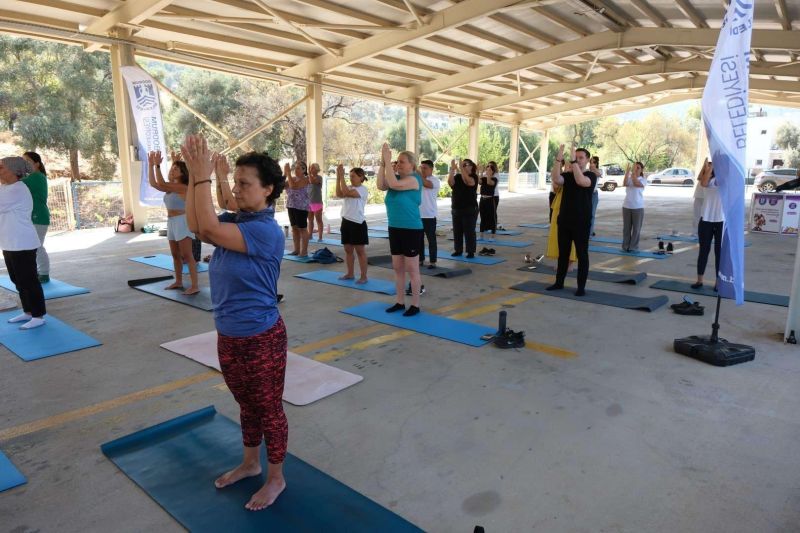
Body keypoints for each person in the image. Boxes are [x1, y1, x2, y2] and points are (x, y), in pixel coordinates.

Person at [182, 134, 287, 512]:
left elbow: (209, 230)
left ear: (268, 189)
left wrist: (203, 176)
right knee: (246, 404)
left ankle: (276, 478)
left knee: (268, 408)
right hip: (228, 334)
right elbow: (198, 224)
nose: (237, 190)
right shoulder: (238, 219)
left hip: (261, 338)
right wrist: (195, 178)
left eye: (245, 184)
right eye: (236, 182)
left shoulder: (265, 230)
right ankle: (250, 463)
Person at [377, 142, 423, 316]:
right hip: (394, 228)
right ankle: (399, 301)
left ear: (412, 165)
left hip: (411, 229)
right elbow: (381, 185)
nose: (398, 164)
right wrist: (383, 163)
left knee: (412, 268)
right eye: (397, 161)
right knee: (397, 267)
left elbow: (394, 184)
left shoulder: (414, 179)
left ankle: (415, 305)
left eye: (402, 161)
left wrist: (388, 161)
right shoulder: (394, 178)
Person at [0, 157, 46, 329]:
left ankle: (38, 315)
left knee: (29, 281)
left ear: (14, 171)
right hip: (9, 242)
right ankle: (28, 311)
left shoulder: (18, 189)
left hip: (22, 243)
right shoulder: (5, 188)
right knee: (17, 280)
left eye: (1, 168)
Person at [546, 145, 598, 296]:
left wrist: (573, 162)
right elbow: (556, 179)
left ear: (587, 160)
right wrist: (558, 160)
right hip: (564, 221)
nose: (578, 160)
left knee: (582, 254)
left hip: (581, 223)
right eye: (576, 157)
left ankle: (581, 287)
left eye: (581, 158)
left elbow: (581, 181)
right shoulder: (568, 176)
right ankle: (559, 283)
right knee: (563, 254)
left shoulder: (591, 176)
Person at [147, 151, 200, 295]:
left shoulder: (184, 187)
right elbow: (153, 183)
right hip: (171, 222)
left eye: (176, 169)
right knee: (175, 255)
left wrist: (158, 166)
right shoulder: (170, 187)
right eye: (172, 168)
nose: (172, 170)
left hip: (183, 221)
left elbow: (161, 183)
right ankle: (178, 281)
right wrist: (151, 165)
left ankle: (195, 285)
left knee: (187, 255)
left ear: (183, 173)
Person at [693, 158, 724, 290]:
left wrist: (716, 164)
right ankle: (699, 280)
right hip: (706, 220)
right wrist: (709, 166)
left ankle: (718, 282)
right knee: (703, 251)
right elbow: (703, 182)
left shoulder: (724, 179)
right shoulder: (707, 181)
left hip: (721, 221)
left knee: (719, 253)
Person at [335, 164, 368, 283]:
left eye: (353, 176)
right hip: (346, 221)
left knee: (360, 251)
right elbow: (339, 194)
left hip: (358, 223)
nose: (351, 178)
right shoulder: (349, 187)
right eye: (350, 176)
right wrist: (338, 177)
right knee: (348, 250)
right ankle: (350, 273)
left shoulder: (363, 189)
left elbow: (347, 193)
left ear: (361, 177)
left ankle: (364, 276)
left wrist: (341, 176)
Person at [21, 151, 50, 284]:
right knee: (33, 246)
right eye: (23, 161)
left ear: (37, 164)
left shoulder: (36, 177)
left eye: (27, 161)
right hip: (34, 217)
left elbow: (15, 182)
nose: (24, 164)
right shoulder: (32, 177)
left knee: (37, 247)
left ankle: (44, 273)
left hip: (39, 217)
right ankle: (40, 272)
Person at [545, 165, 577, 267]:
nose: (569, 167)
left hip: (571, 210)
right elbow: (555, 189)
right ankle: (562, 261)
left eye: (571, 166)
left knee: (571, 238)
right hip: (559, 208)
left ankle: (570, 262)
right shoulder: (563, 178)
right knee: (559, 236)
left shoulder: (578, 177)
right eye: (568, 166)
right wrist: (557, 177)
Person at [448, 158, 478, 258]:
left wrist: (461, 168)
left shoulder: (474, 177)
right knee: (457, 231)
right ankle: (458, 250)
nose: (463, 166)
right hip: (456, 208)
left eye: (465, 165)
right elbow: (450, 183)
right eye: (462, 165)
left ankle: (470, 251)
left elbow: (468, 182)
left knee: (469, 231)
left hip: (469, 209)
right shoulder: (457, 177)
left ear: (471, 167)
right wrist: (452, 169)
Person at [284, 161, 310, 257]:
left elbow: (293, 186)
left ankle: (304, 251)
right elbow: (281, 185)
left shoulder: (306, 179)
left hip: (301, 207)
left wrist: (288, 173)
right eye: (295, 168)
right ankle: (296, 250)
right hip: (291, 205)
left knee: (302, 228)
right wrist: (285, 173)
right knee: (294, 228)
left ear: (304, 170)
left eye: (298, 168)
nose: (296, 170)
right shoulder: (293, 178)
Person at [418, 159, 440, 269]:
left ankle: (433, 261)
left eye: (425, 168)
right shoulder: (418, 180)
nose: (422, 170)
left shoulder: (435, 180)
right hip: (418, 215)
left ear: (431, 169)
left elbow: (427, 184)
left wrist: (417, 174)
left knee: (431, 240)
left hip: (430, 216)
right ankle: (420, 259)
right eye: (421, 168)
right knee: (418, 240)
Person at [621, 161, 646, 252]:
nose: (635, 169)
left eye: (638, 168)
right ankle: (625, 246)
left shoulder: (643, 179)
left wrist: (633, 174)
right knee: (626, 229)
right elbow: (625, 183)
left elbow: (636, 184)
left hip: (638, 207)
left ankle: (633, 247)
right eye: (634, 167)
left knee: (636, 229)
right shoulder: (630, 178)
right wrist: (627, 172)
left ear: (641, 170)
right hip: (626, 206)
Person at [478, 161, 498, 240]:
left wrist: (489, 174)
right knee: (482, 217)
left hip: (490, 200)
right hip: (482, 200)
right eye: (487, 169)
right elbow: (479, 181)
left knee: (492, 217)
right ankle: (481, 236)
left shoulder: (494, 179)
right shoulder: (483, 178)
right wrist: (480, 171)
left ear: (493, 171)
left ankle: (493, 236)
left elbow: (489, 182)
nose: (488, 170)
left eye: (489, 170)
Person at [307, 163, 324, 242]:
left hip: (317, 202)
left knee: (319, 220)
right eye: (310, 168)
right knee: (310, 220)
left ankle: (320, 237)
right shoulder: (308, 178)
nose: (311, 169)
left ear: (317, 170)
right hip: (309, 202)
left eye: (312, 168)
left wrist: (309, 173)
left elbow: (313, 181)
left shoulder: (319, 178)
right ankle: (310, 235)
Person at [589, 156, 601, 237]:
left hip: (594, 194)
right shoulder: (587, 171)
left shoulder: (598, 171)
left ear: (596, 163)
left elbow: (599, 174)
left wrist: (594, 168)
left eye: (593, 162)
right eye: (590, 162)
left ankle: (590, 232)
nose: (591, 164)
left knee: (592, 214)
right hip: (586, 194)